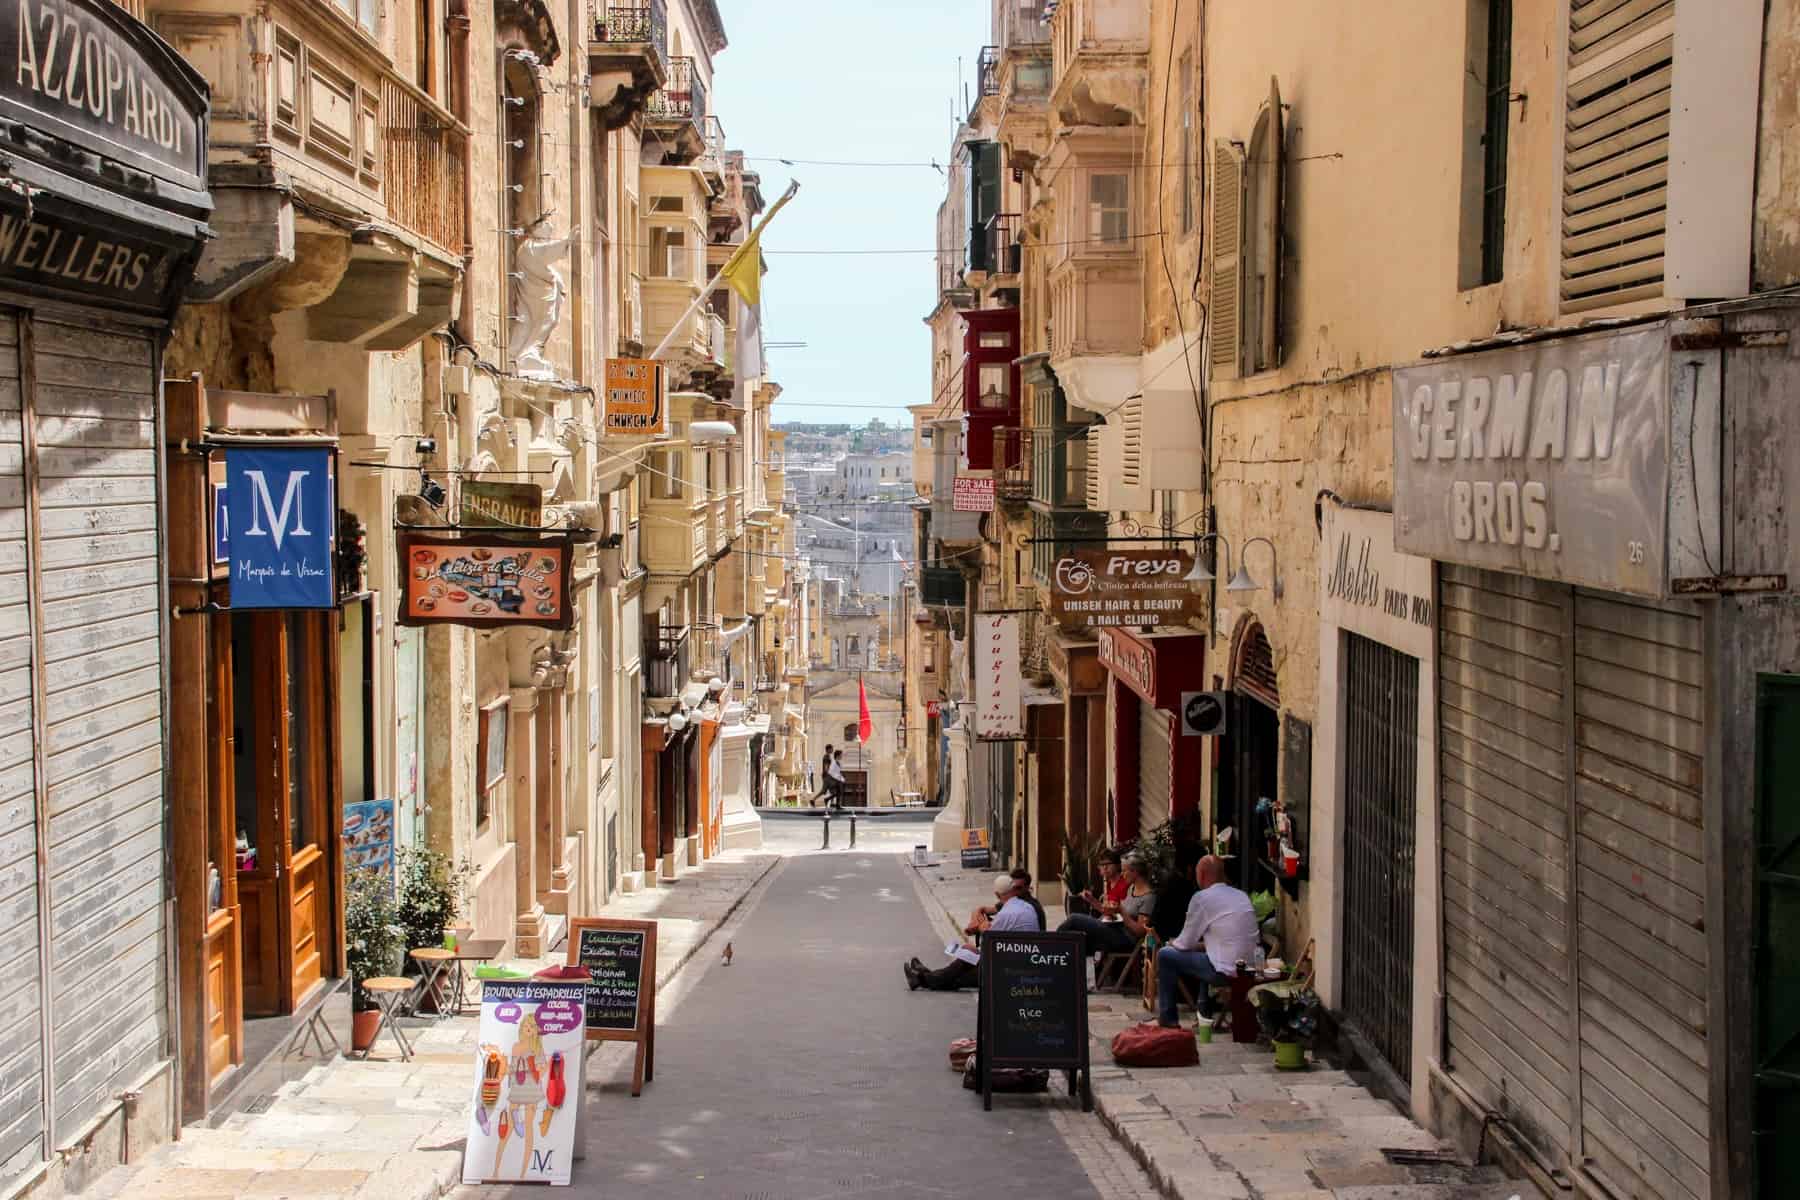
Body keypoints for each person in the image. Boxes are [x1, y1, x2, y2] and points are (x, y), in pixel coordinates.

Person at [1154, 855, 1258, 1028]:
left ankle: (1168, 1019)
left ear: (1201, 875)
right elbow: (1219, 942)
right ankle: (1204, 1012)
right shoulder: (1241, 895)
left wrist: (1172, 943)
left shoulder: (1202, 898)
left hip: (1225, 971)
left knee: (1165, 955)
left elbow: (1185, 943)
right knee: (1206, 954)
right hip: (1249, 968)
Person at [905, 873, 1041, 990]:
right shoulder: (1027, 907)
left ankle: (921, 979)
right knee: (963, 965)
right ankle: (924, 975)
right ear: (1013, 889)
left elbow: (988, 941)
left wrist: (980, 934)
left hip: (1008, 969)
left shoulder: (1006, 914)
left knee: (961, 972)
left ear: (997, 894)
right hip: (1021, 960)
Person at [1057, 851, 1155, 960]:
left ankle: (1047, 950)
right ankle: (1072, 971)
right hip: (1114, 928)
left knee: (1073, 919)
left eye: (1124, 871)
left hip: (1125, 938)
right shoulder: (1132, 889)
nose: (1122, 874)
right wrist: (1094, 901)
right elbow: (1114, 912)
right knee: (1077, 938)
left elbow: (1140, 931)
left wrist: (1121, 911)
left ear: (1135, 872)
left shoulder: (1148, 897)